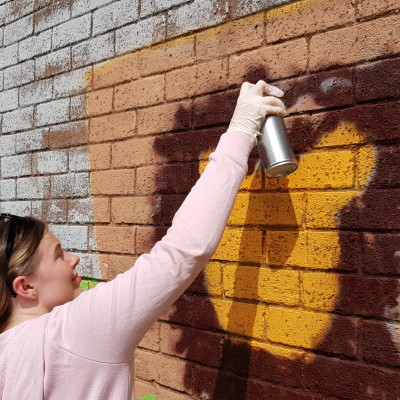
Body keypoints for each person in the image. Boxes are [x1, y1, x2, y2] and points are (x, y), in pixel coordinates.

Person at [0, 80, 286, 399]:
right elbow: (182, 251)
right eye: (58, 255)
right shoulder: (74, 331)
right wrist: (241, 133)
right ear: (24, 287)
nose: (73, 259)